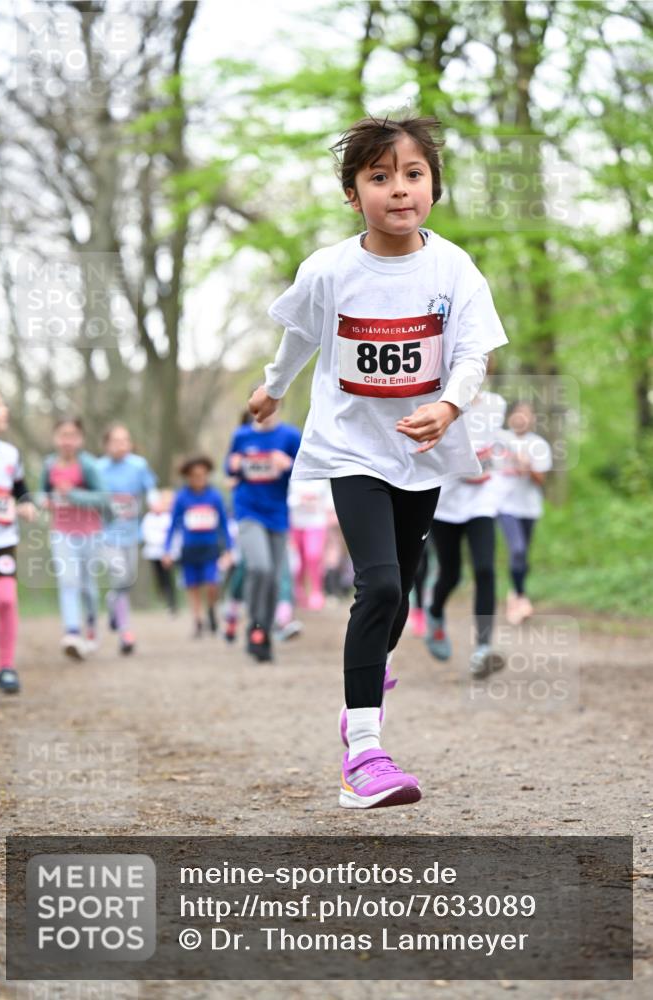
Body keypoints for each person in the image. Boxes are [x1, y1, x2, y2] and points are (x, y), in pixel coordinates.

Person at [249, 114, 508, 809]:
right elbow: (299, 336)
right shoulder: (330, 270)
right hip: (350, 448)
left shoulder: (452, 268)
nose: (398, 189)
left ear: (433, 186)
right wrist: (272, 390)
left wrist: (449, 407)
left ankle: (365, 680)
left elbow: (472, 354)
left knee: (399, 593)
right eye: (379, 176)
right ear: (352, 192)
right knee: (382, 587)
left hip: (420, 453)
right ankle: (363, 753)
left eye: (413, 174)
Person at [426, 387, 508, 676]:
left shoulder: (497, 404)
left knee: (485, 569)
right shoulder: (437, 402)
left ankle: (483, 647)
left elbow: (501, 445)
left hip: (482, 501)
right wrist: (463, 461)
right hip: (445, 502)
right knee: (452, 573)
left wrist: (493, 459)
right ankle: (434, 613)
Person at [225, 409, 301, 662]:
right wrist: (233, 466)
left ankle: (262, 632)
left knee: (274, 578)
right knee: (260, 567)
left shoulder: (289, 436)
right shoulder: (241, 436)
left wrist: (288, 464)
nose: (266, 411)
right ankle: (255, 626)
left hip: (277, 514)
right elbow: (230, 468)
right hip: (248, 511)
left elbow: (306, 469)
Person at [40, 417, 106, 659]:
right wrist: (44, 501)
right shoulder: (49, 465)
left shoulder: (88, 465)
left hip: (89, 532)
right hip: (61, 532)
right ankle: (72, 632)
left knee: (88, 586)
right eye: (62, 435)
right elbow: (42, 494)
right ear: (55, 438)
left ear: (80, 439)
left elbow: (103, 498)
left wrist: (74, 494)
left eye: (72, 435)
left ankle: (90, 629)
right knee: (68, 581)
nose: (67, 440)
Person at [0, 388, 36, 693]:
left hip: (2, 541)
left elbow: (20, 488)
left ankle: (6, 667)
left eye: (4, 404)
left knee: (6, 600)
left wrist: (27, 503)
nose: (4, 410)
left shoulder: (10, 454)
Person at [98, 424, 157, 655]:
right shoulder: (98, 468)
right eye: (116, 441)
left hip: (131, 533)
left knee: (126, 582)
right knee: (120, 574)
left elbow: (150, 488)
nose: (121, 445)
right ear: (106, 445)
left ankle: (113, 604)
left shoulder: (138, 465)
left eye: (125, 440)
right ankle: (125, 632)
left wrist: (154, 502)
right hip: (105, 535)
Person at [495, 401, 553, 624]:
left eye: (527, 415)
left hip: (529, 507)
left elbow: (541, 480)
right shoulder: (500, 439)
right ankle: (520, 597)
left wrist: (527, 465)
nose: (522, 418)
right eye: (519, 414)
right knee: (517, 550)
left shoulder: (539, 445)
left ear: (533, 420)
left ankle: (515, 593)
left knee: (522, 556)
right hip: (505, 506)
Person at [162, 457, 232, 637]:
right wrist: (167, 550)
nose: (199, 479)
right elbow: (173, 525)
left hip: (210, 548)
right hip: (190, 548)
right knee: (192, 585)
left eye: (203, 475)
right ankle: (198, 620)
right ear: (188, 477)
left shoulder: (215, 496)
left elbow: (223, 524)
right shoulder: (182, 497)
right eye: (195, 476)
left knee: (212, 583)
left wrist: (229, 549)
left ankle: (211, 609)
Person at [288, 478, 332, 610]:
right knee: (298, 560)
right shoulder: (294, 479)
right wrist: (300, 500)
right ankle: (298, 590)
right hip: (296, 524)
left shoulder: (321, 480)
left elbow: (329, 503)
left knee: (313, 556)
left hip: (316, 523)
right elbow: (287, 499)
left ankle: (316, 592)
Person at [141, 489, 180, 614]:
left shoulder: (168, 517)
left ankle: (172, 603)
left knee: (168, 577)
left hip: (167, 553)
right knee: (159, 578)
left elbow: (172, 535)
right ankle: (163, 598)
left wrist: (166, 546)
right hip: (153, 554)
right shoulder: (148, 518)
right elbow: (148, 535)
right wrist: (161, 540)